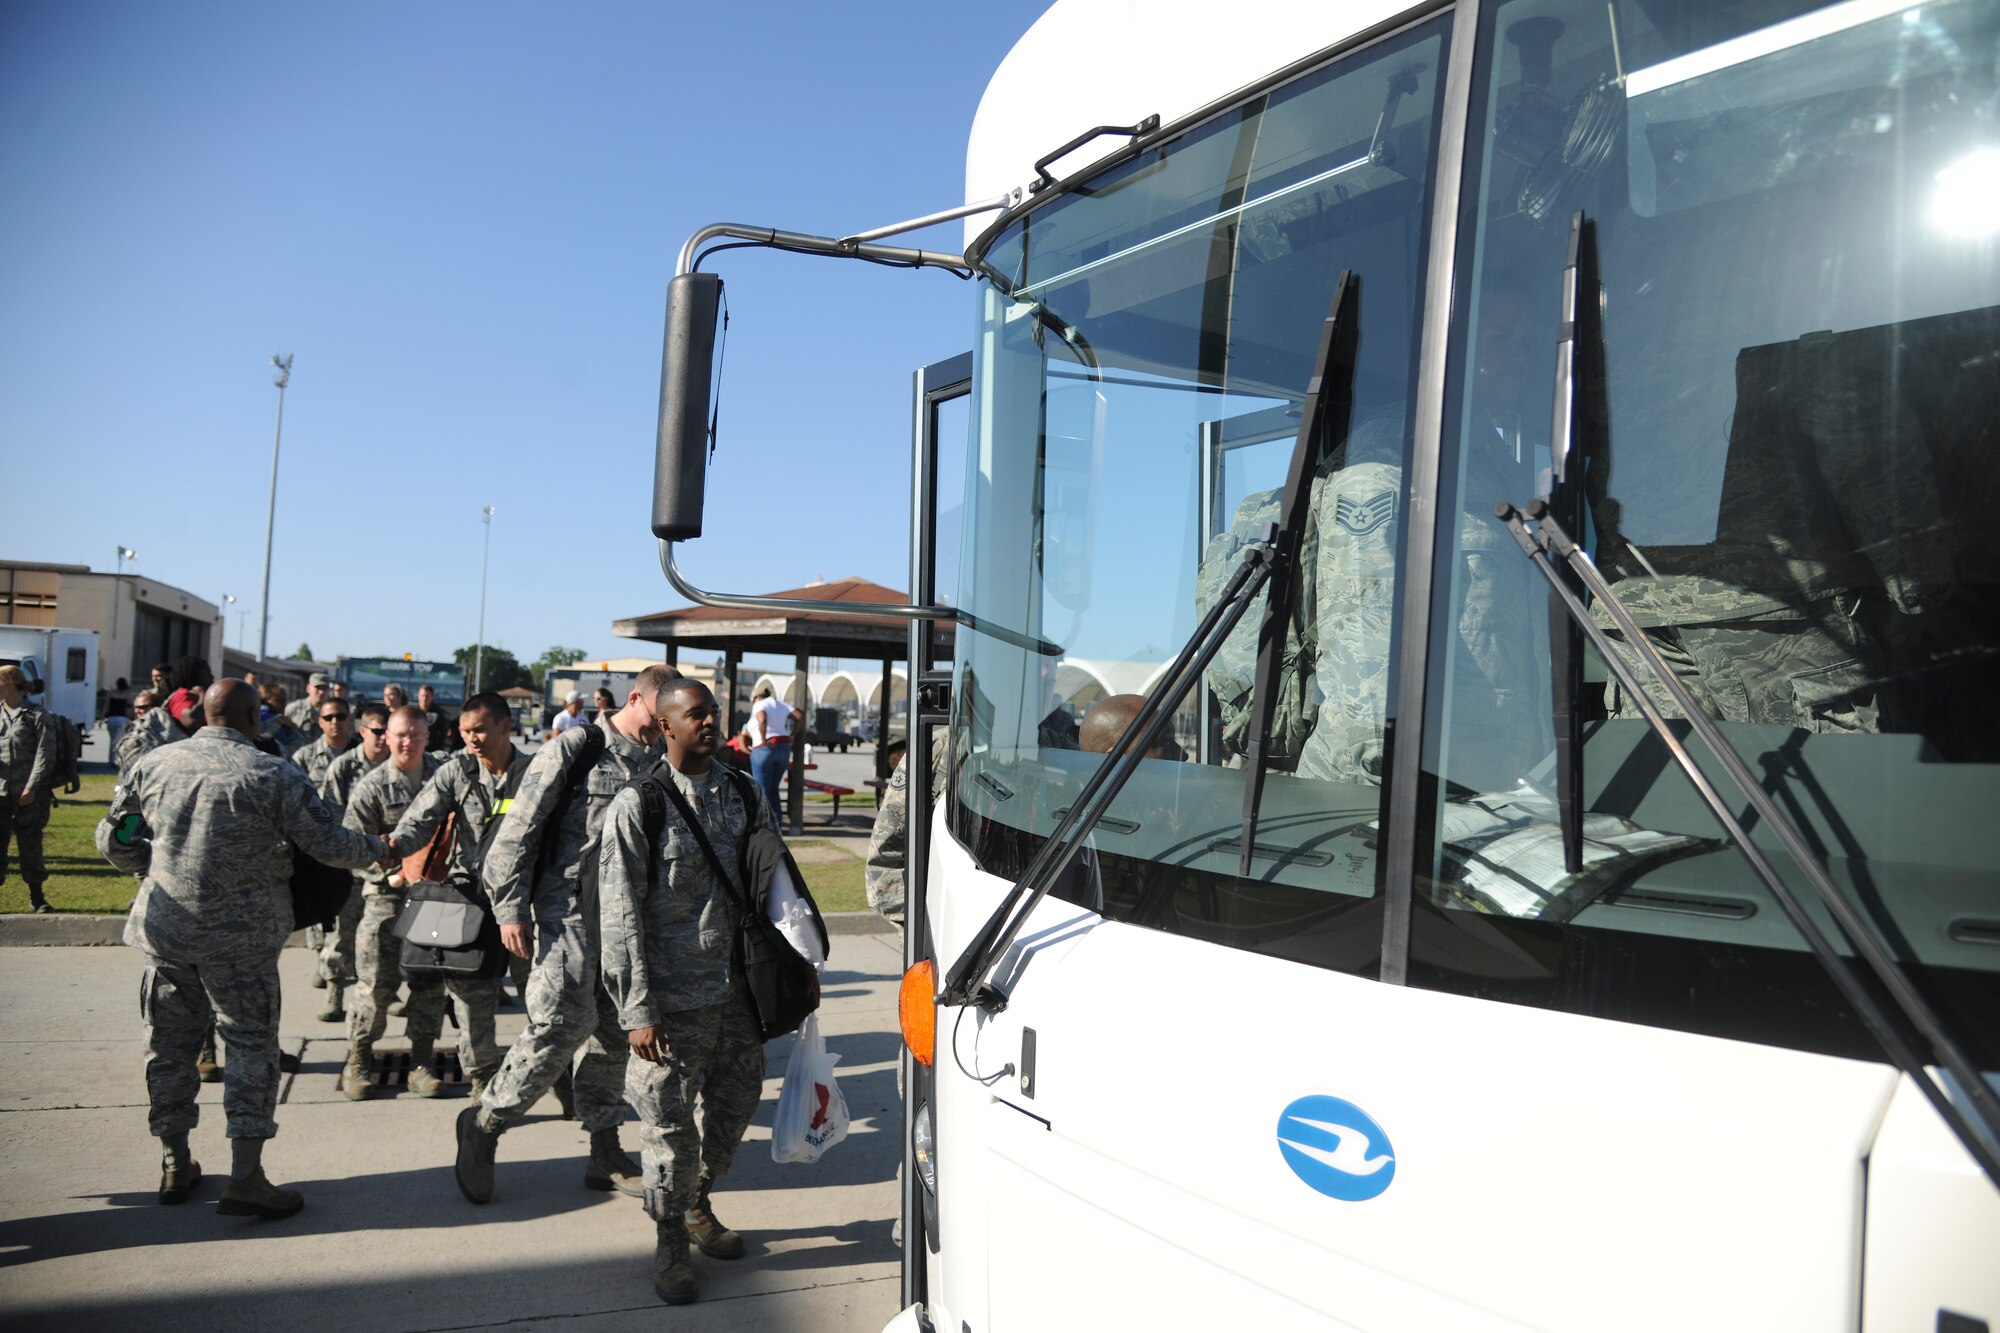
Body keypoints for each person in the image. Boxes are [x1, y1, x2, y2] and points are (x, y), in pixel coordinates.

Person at [95, 679, 390, 1216]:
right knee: (251, 1048)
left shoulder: (156, 764)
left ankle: (174, 1162)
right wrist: (383, 848)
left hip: (167, 935)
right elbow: (330, 845)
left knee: (168, 1047)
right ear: (254, 717)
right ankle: (246, 1176)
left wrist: (157, 870)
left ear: (204, 715)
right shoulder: (273, 774)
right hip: (243, 941)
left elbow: (113, 838)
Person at [452, 665, 678, 1206]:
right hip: (568, 914)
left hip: (629, 923)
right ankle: (485, 1122)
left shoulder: (660, 759)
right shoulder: (579, 747)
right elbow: (518, 831)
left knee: (613, 1033)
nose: (666, 724)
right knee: (560, 1023)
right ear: (641, 699)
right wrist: (510, 909)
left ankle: (603, 1147)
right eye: (660, 713)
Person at [599, 679, 774, 1305]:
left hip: (738, 995)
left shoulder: (744, 792)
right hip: (672, 1003)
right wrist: (637, 1009)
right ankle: (670, 1238)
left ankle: (699, 1203)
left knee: (734, 1107)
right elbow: (620, 916)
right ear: (665, 726)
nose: (708, 722)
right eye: (694, 714)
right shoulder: (639, 805)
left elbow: (771, 884)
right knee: (669, 1128)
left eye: (712, 713)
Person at [377, 694, 527, 1100]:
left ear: (505, 726)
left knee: (544, 1003)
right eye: (465, 731)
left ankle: (559, 1081)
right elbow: (419, 821)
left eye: (479, 729)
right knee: (472, 1001)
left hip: (528, 908)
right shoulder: (455, 773)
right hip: (470, 904)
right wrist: (392, 847)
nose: (471, 739)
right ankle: (482, 1085)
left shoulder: (534, 773)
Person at [340, 706, 466, 1100]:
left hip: (436, 899)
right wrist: (393, 874)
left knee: (429, 983)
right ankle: (359, 1059)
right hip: (386, 898)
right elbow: (353, 850)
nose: (408, 743)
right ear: (386, 738)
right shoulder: (372, 788)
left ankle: (421, 1061)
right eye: (400, 735)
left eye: (415, 735)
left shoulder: (445, 778)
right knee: (376, 983)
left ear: (429, 736)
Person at [315, 703, 392, 1021]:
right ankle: (335, 988)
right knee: (342, 935)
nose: (384, 738)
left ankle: (389, 992)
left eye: (388, 732)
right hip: (350, 866)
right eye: (377, 731)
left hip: (388, 868)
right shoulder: (344, 769)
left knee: (387, 936)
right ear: (362, 731)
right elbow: (328, 817)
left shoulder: (399, 768)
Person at [0, 665, 57, 913]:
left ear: (10, 684)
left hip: (28, 794)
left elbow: (45, 754)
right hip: (1, 792)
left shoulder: (36, 715)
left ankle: (37, 898)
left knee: (30, 844)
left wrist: (32, 787)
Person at [118, 654, 214, 775]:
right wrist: (203, 694)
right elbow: (191, 720)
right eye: (207, 672)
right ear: (194, 675)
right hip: (177, 761)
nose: (211, 676)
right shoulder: (183, 695)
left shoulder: (190, 696)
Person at [746, 685, 795, 818]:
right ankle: (776, 820)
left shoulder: (760, 704)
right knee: (774, 788)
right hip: (783, 746)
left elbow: (762, 719)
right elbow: (800, 716)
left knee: (762, 789)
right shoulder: (780, 705)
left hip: (764, 748)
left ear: (758, 697)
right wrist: (793, 734)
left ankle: (765, 823)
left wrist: (763, 739)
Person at [416, 683, 460, 751]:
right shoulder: (412, 712)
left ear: (432, 697)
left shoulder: (438, 714)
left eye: (427, 696)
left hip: (431, 749)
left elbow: (441, 735)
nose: (424, 699)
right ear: (418, 696)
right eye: (422, 696)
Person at [103, 677, 133, 759]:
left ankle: (111, 759)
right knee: (119, 740)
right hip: (122, 718)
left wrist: (102, 716)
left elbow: (106, 706)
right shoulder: (127, 694)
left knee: (112, 739)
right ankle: (116, 759)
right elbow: (130, 706)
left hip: (111, 718)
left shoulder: (111, 693)